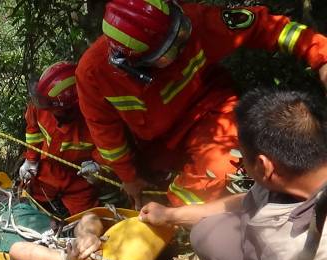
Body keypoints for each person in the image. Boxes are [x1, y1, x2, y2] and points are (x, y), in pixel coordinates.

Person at [76, 0, 327, 208]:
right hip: (155, 144)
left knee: (217, 171)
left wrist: (321, 55)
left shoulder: (195, 21)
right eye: (167, 52)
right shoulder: (93, 74)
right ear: (133, 64)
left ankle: (178, 219)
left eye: (180, 32)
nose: (181, 44)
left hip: (209, 113)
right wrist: (129, 177)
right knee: (124, 176)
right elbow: (104, 133)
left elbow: (264, 26)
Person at [139, 89, 327, 260]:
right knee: (207, 233)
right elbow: (247, 200)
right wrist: (171, 215)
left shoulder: (315, 258)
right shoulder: (294, 176)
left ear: (264, 166)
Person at [20, 61, 102, 216]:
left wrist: (100, 167)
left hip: (79, 178)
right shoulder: (43, 102)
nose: (44, 109)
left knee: (85, 220)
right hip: (48, 170)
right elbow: (33, 130)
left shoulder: (94, 119)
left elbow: (111, 147)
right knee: (29, 205)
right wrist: (31, 160)